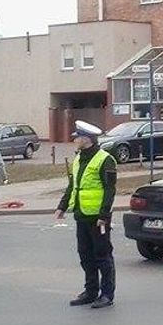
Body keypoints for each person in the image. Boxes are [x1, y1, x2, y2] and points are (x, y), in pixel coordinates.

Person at [54, 121, 118, 308]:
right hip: (82, 215)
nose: (75, 140)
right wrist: (62, 206)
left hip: (98, 218)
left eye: (77, 137)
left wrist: (104, 216)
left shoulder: (105, 160)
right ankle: (91, 291)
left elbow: (109, 190)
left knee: (103, 255)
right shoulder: (79, 159)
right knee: (85, 255)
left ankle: (107, 294)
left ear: (86, 139)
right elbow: (73, 185)